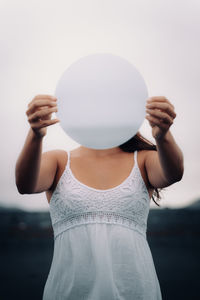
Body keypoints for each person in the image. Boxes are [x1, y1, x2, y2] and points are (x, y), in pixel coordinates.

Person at [15, 94, 184, 300]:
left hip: (136, 291)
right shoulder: (58, 160)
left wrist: (163, 136)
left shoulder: (144, 159)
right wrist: (35, 135)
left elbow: (174, 173)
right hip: (69, 291)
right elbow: (25, 184)